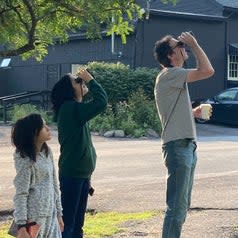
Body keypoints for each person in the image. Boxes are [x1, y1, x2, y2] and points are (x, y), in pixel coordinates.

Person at [153, 31, 214, 238]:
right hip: (178, 146)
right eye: (179, 45)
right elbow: (207, 70)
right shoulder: (171, 73)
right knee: (176, 208)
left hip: (185, 145)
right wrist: (195, 44)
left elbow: (172, 106)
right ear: (170, 55)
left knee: (182, 205)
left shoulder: (173, 78)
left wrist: (193, 112)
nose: (184, 46)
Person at [51, 68, 108, 238]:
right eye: (77, 81)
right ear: (69, 90)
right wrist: (90, 79)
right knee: (69, 225)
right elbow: (101, 102)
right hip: (73, 174)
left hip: (81, 174)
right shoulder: (70, 109)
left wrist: (88, 81)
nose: (81, 81)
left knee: (77, 226)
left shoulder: (75, 109)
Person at [11, 113, 64, 238]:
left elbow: (54, 184)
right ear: (34, 133)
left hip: (51, 214)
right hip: (34, 219)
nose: (48, 129)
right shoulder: (24, 158)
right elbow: (21, 193)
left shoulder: (47, 152)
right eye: (43, 126)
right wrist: (21, 226)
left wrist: (59, 214)